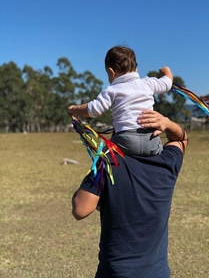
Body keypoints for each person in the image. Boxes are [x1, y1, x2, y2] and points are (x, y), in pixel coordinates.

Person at [72, 110, 188, 278]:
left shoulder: (109, 167)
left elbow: (80, 210)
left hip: (117, 273)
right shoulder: (167, 164)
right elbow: (181, 138)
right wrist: (168, 123)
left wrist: (99, 165)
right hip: (157, 273)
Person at [67, 45, 173, 156]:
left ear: (111, 71)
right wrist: (166, 71)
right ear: (136, 69)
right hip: (151, 138)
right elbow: (167, 83)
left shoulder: (112, 90)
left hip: (126, 139)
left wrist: (73, 109)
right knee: (157, 159)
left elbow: (93, 110)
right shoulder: (147, 83)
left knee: (106, 159)